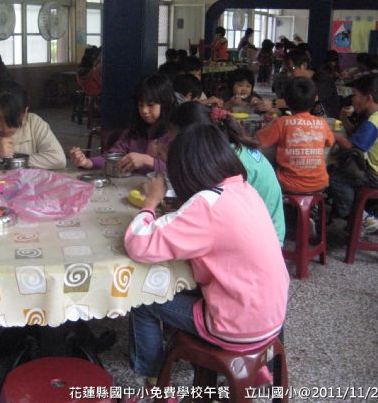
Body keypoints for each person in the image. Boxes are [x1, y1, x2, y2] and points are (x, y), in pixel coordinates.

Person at [123, 123, 289, 396]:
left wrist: (150, 202)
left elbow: (138, 244)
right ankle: (258, 370)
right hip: (273, 318)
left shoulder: (206, 203)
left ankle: (154, 383)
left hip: (237, 326)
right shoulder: (245, 189)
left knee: (142, 300)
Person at [162, 101, 285, 245]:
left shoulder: (225, 161)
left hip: (264, 239)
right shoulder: (227, 149)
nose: (174, 148)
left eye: (176, 143)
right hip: (257, 228)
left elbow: (209, 209)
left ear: (194, 138)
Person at [328, 74, 378, 232]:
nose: (352, 99)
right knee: (352, 173)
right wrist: (343, 118)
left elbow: (351, 146)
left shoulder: (372, 122)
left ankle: (358, 217)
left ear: (368, 98)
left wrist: (329, 134)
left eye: (355, 95)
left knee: (336, 178)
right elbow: (356, 135)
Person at [69, 74, 176, 174]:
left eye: (150, 105)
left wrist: (148, 161)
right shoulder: (133, 132)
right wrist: (87, 162)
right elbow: (112, 157)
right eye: (140, 105)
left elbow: (179, 172)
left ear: (165, 104)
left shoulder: (175, 135)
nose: (144, 110)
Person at [256, 77, 335, 194]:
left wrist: (271, 124)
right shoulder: (322, 123)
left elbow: (258, 141)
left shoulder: (282, 123)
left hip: (288, 184)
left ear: (286, 101)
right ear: (315, 99)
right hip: (319, 184)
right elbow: (330, 142)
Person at [280, 48, 340, 118]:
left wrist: (274, 104)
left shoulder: (323, 79)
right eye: (286, 70)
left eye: (291, 69)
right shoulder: (295, 82)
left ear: (304, 65)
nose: (288, 74)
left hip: (329, 121)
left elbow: (303, 100)